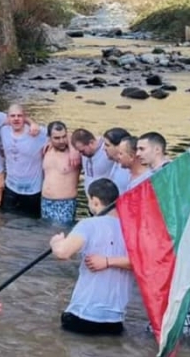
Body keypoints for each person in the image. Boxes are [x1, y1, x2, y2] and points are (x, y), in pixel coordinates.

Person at [50, 178, 133, 335]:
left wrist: (56, 242)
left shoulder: (88, 225)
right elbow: (142, 263)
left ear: (95, 202)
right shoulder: (131, 229)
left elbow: (63, 252)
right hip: (115, 320)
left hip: (83, 314)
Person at [0, 104, 47, 218]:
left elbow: (63, 136)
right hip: (10, 187)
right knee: (7, 223)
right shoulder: (3, 131)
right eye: (13, 116)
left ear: (25, 117)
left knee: (30, 227)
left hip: (33, 191)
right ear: (8, 118)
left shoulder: (37, 132)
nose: (16, 119)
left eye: (19, 116)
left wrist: (73, 152)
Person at [41, 121, 81, 225]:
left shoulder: (76, 153)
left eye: (64, 137)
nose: (61, 141)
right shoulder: (47, 150)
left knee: (61, 236)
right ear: (49, 138)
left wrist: (72, 148)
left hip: (65, 203)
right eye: (57, 138)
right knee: (44, 235)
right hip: (46, 202)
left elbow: (91, 138)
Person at [71, 128, 114, 195]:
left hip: (107, 197)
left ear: (91, 142)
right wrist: (72, 150)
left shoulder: (107, 149)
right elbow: (66, 134)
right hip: (91, 199)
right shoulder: (83, 152)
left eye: (82, 151)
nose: (81, 154)